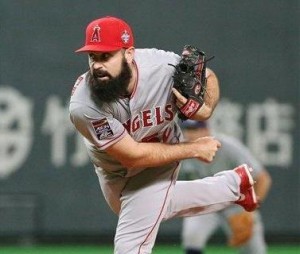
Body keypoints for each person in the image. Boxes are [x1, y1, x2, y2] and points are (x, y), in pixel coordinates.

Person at [69, 16, 258, 254]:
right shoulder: (84, 105)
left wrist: (206, 108)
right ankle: (233, 185)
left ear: (129, 54)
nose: (97, 65)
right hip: (113, 168)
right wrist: (194, 149)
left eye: (106, 56)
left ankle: (233, 186)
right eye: (92, 57)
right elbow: (133, 157)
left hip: (162, 150)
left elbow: (208, 76)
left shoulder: (162, 67)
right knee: (146, 208)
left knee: (131, 243)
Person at [179, 120, 272, 254]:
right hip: (206, 203)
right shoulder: (184, 150)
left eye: (195, 129)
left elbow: (263, 178)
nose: (190, 134)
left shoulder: (228, 147)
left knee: (254, 250)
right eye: (187, 129)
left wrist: (250, 210)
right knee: (192, 236)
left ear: (207, 130)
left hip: (236, 204)